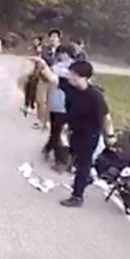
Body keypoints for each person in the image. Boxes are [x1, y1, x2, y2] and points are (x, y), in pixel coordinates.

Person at [34, 58, 116, 207]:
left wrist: (110, 136)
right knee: (78, 160)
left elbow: (106, 118)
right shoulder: (69, 86)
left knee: (83, 164)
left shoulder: (95, 96)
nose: (70, 76)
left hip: (90, 134)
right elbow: (52, 78)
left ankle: (77, 196)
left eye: (73, 74)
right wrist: (42, 64)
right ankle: (87, 178)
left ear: (84, 77)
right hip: (75, 131)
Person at [42, 43, 79, 172]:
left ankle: (62, 161)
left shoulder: (72, 68)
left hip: (64, 105)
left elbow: (55, 74)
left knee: (60, 132)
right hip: (56, 104)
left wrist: (45, 67)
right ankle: (49, 148)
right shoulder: (59, 66)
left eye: (61, 53)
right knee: (56, 130)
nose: (59, 56)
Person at [33, 28, 62, 130]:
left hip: (55, 79)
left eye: (55, 37)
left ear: (59, 39)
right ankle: (40, 120)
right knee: (40, 100)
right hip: (43, 77)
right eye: (51, 37)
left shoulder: (62, 51)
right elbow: (43, 60)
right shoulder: (44, 50)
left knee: (51, 101)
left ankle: (48, 121)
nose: (53, 39)